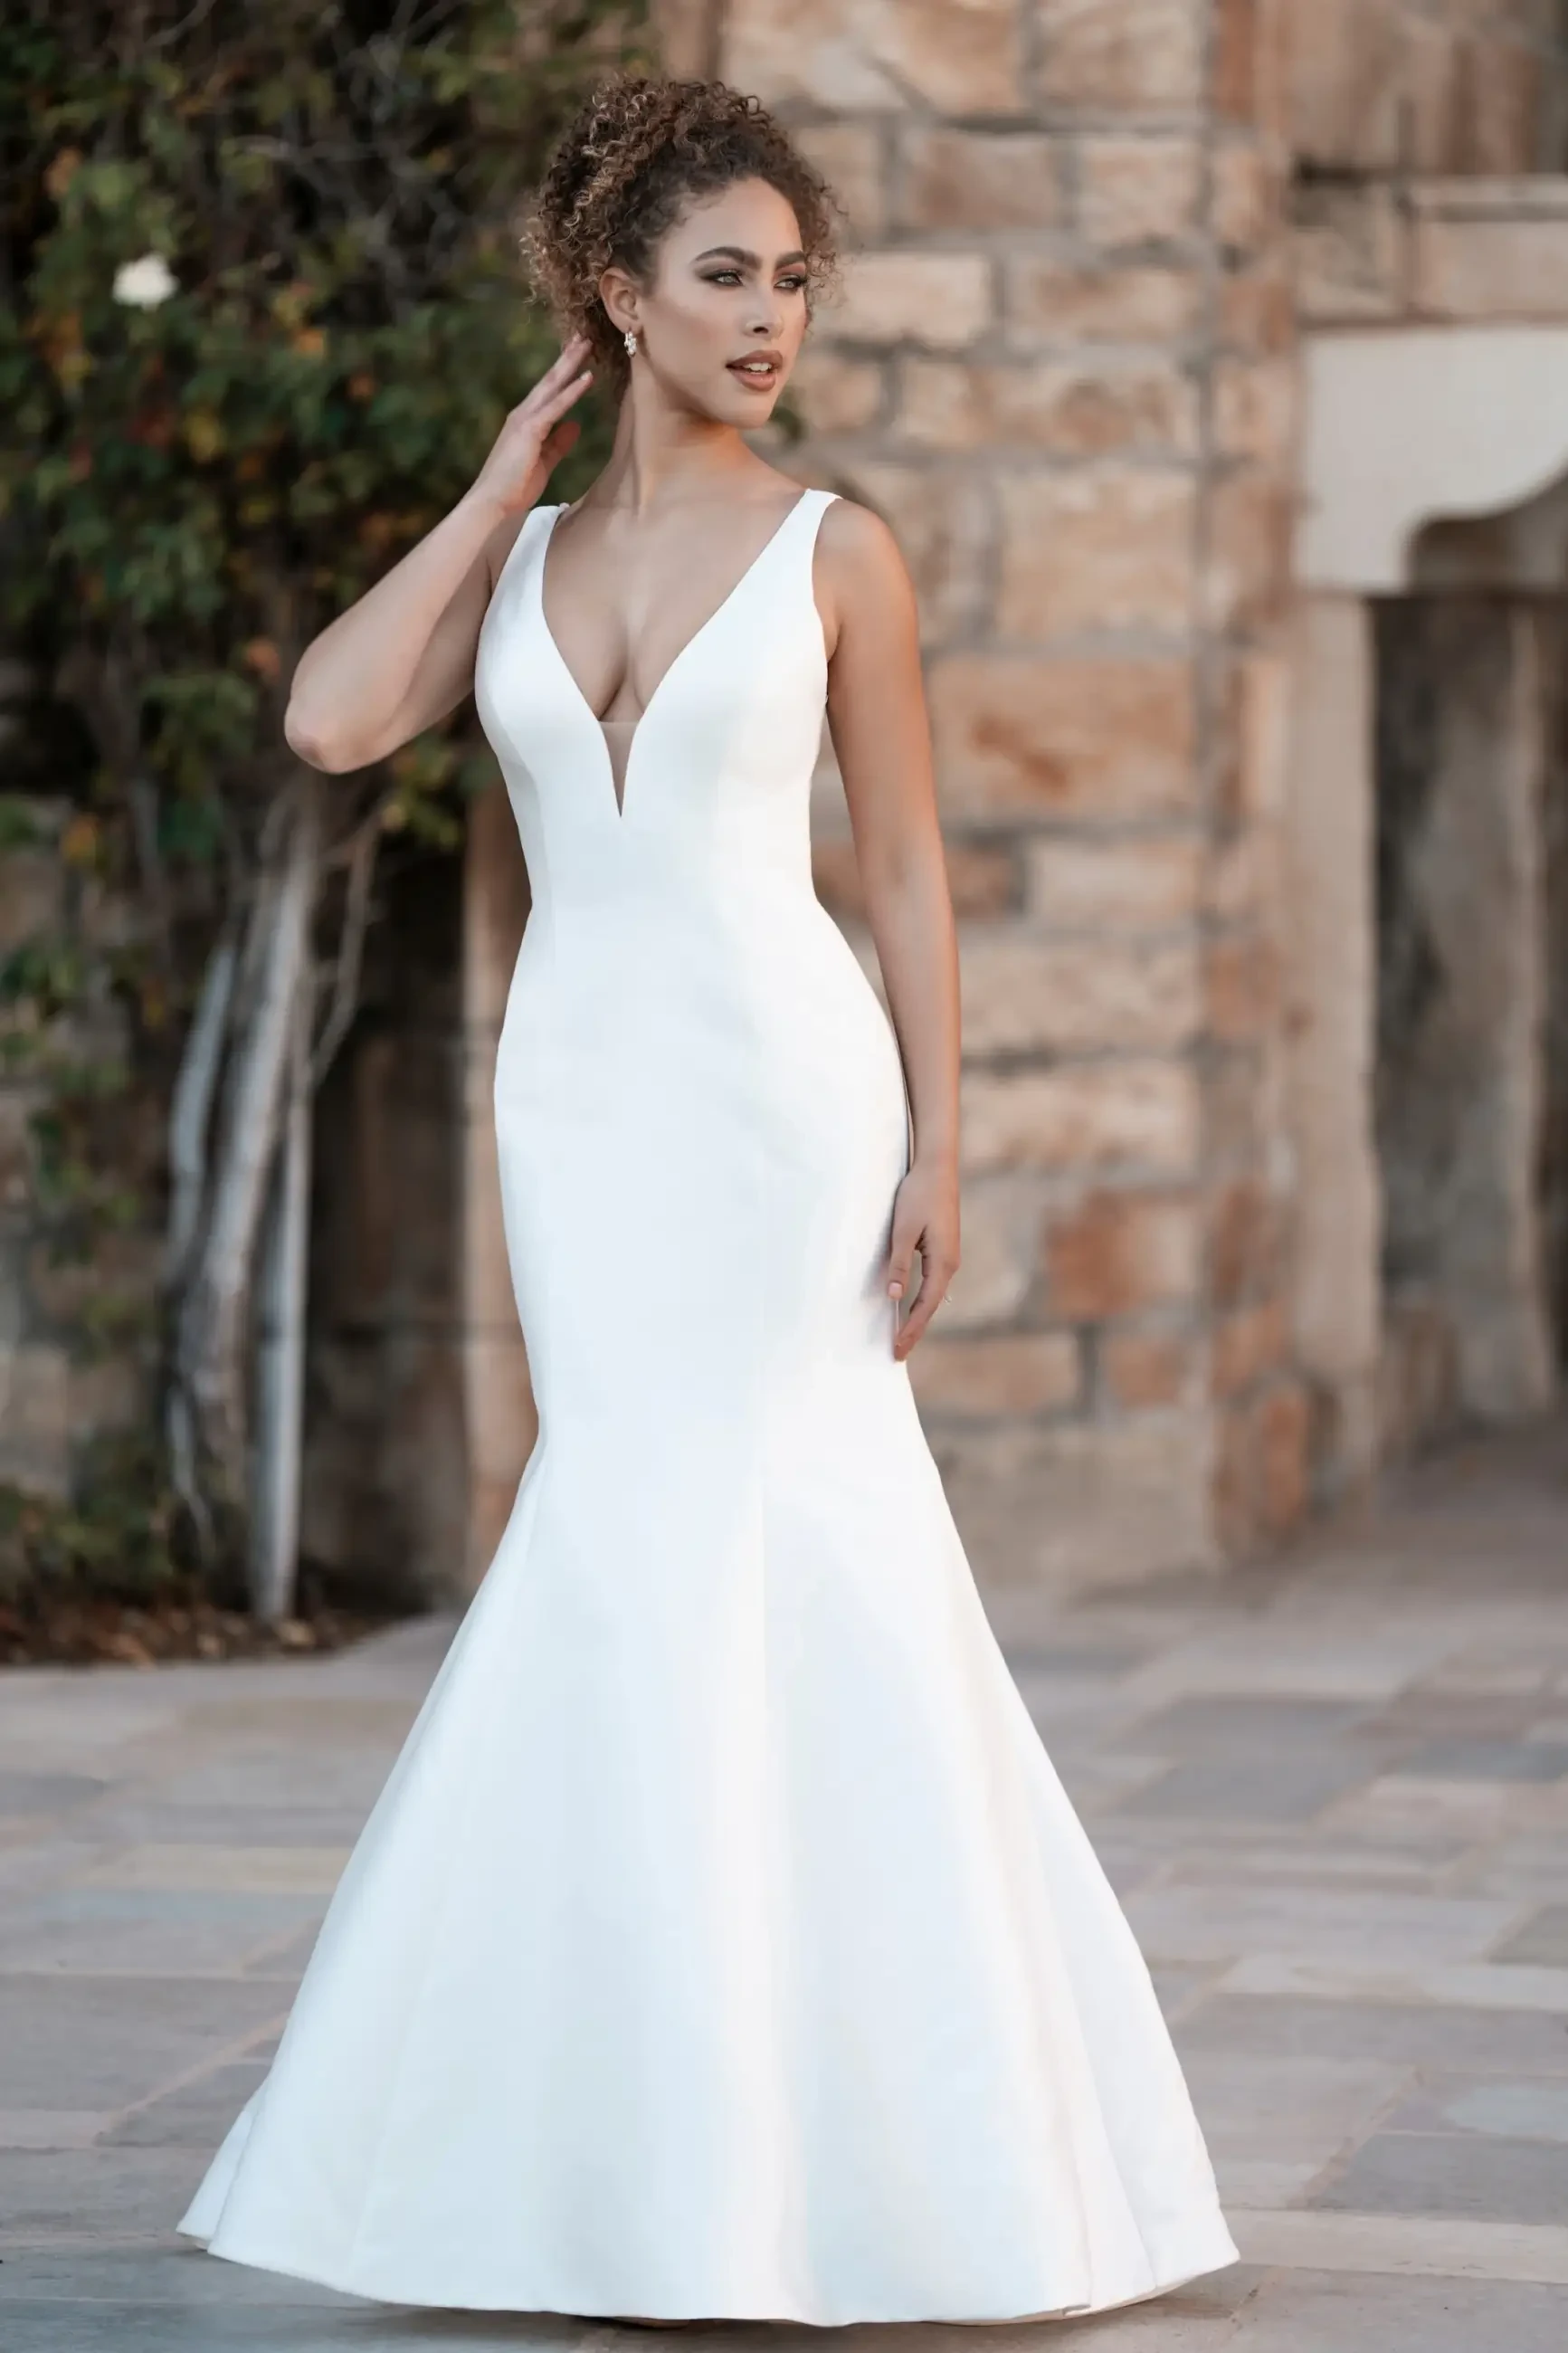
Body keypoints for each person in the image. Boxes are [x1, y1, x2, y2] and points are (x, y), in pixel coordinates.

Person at [176, 71, 1239, 2325]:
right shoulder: (530, 561)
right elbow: (329, 720)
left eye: (790, 278)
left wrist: (945, 1134)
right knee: (618, 1543)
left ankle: (878, 2153)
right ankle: (620, 2144)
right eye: (725, 276)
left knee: (804, 1529)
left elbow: (913, 874)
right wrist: (489, 494)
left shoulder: (842, 545)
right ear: (615, 295)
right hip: (581, 1110)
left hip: (784, 1105)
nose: (771, 317)